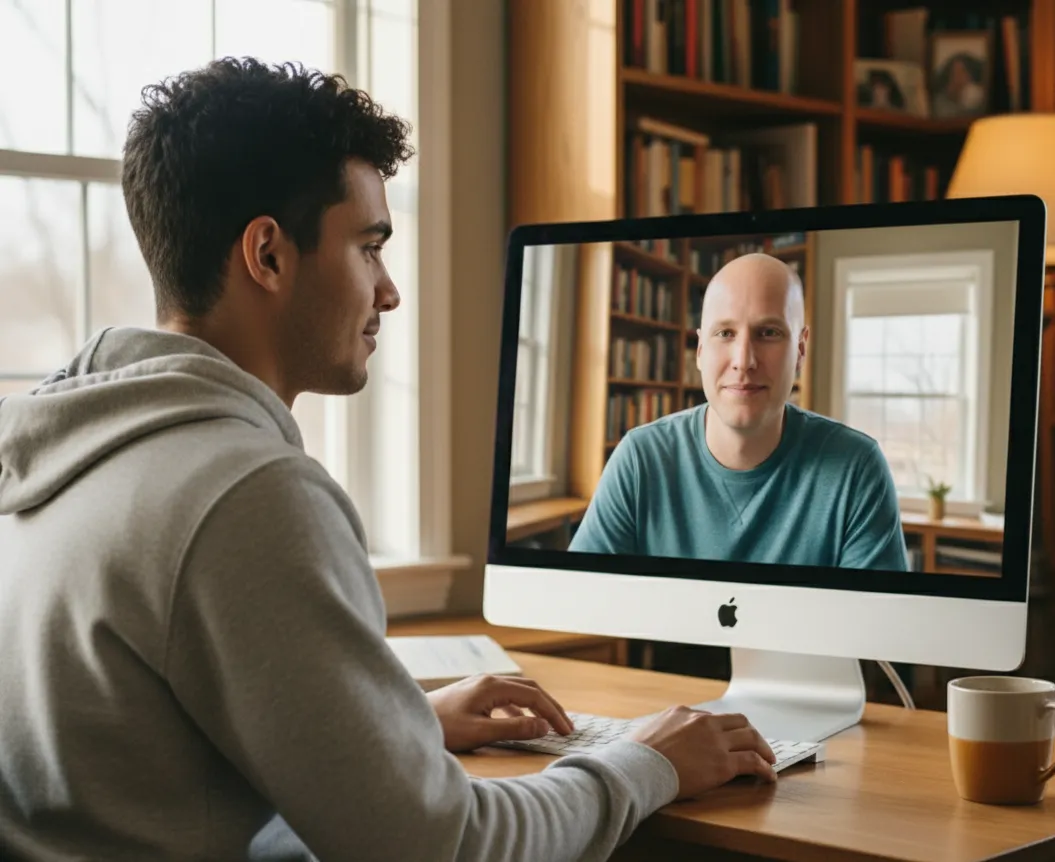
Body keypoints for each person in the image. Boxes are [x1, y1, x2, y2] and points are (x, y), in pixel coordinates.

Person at [0, 59, 777, 862]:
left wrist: (398, 721)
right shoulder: (245, 492)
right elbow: (445, 847)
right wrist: (645, 763)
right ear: (267, 254)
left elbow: (148, 746)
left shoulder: (69, 446)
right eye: (369, 248)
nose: (390, 291)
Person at [569, 252, 909, 572]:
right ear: (700, 350)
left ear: (801, 350)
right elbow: (583, 600)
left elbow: (875, 630)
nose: (744, 361)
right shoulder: (640, 459)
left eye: (769, 333)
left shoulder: (857, 469)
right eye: (725, 333)